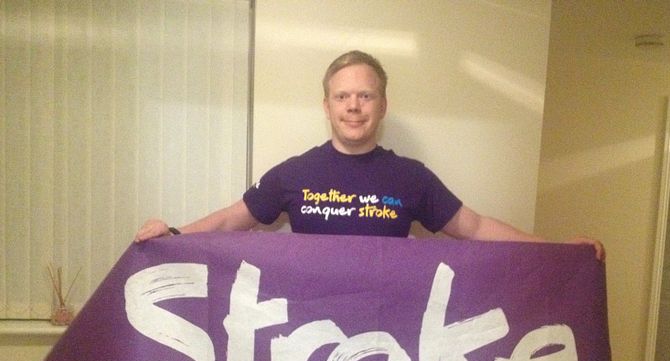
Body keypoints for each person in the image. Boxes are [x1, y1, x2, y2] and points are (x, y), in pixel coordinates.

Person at [135, 50, 605, 261]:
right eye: (342, 97)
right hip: (305, 335)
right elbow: (229, 221)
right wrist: (172, 233)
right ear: (327, 106)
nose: (353, 107)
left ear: (382, 105)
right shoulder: (293, 174)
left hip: (390, 334)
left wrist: (557, 249)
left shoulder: (411, 177)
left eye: (365, 96)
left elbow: (476, 228)